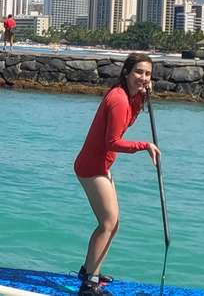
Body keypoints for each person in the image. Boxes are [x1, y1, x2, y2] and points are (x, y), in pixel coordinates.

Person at [73, 52, 159, 296]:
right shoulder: (119, 99)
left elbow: (128, 119)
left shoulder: (129, 97)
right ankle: (90, 284)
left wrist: (144, 96)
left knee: (113, 224)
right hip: (92, 166)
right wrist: (145, 146)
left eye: (148, 74)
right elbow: (113, 142)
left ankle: (90, 270)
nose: (143, 77)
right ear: (127, 73)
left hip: (102, 165)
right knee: (108, 223)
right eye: (139, 72)